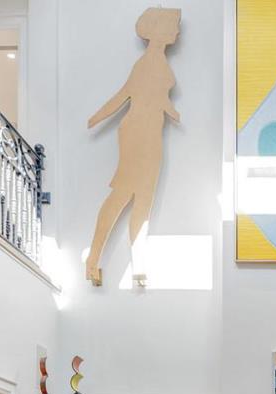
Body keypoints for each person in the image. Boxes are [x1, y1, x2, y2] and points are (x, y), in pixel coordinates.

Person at [85, 7, 181, 286]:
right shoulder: (147, 63)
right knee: (123, 195)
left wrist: (170, 110)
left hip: (152, 132)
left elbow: (155, 97)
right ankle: (93, 260)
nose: (177, 31)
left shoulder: (157, 61)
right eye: (173, 25)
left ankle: (138, 264)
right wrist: (96, 117)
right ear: (160, 29)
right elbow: (125, 95)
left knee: (143, 200)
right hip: (138, 132)